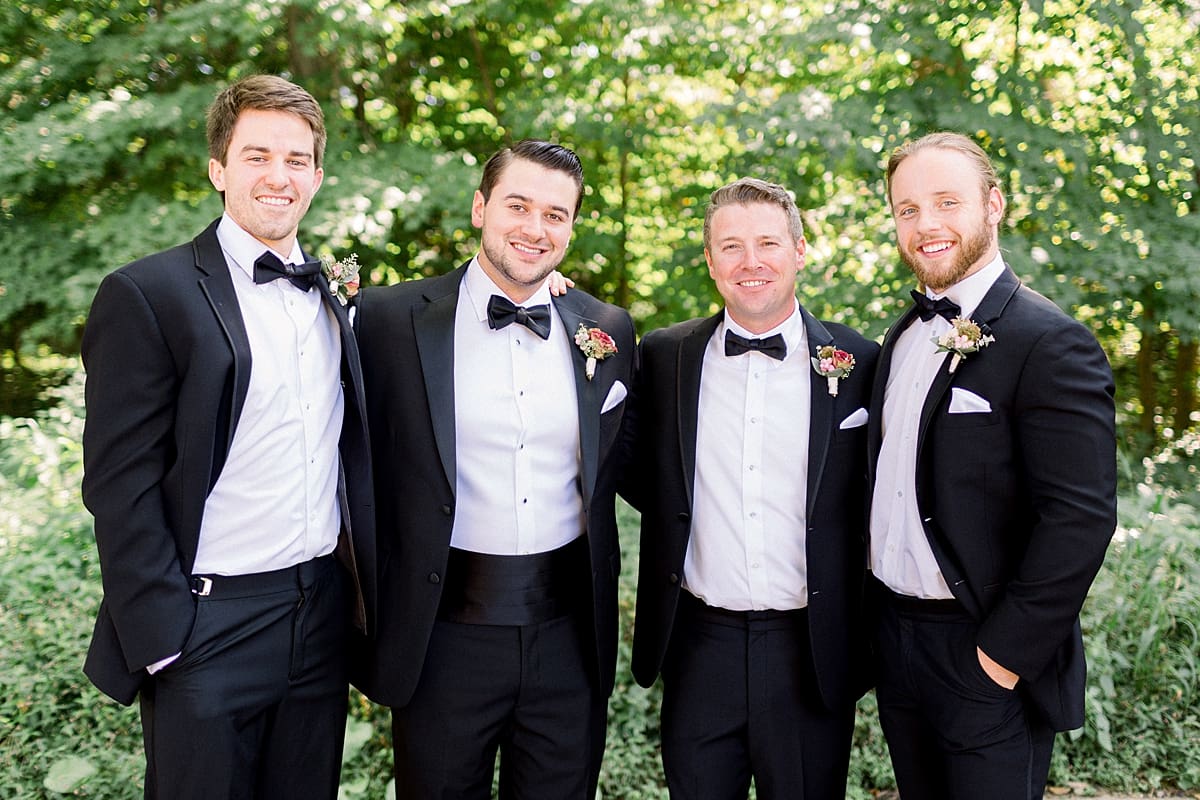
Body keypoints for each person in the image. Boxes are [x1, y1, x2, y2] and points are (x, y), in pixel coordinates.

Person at [80, 74, 376, 799]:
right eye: (257, 156)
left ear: (317, 175)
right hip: (207, 625)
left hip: (318, 616)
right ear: (218, 168)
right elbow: (119, 484)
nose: (279, 176)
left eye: (297, 159)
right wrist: (164, 640)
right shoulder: (149, 294)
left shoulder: (334, 295)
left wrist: (543, 286)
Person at [352, 139, 636, 799]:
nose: (535, 229)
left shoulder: (606, 329)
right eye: (518, 205)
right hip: (441, 636)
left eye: (556, 215)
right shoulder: (390, 322)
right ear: (480, 208)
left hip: (567, 638)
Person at [867, 131, 1117, 799]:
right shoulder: (901, 336)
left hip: (985, 654)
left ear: (994, 205)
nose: (927, 225)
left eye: (947, 202)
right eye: (908, 209)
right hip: (898, 645)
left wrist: (999, 660)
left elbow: (1080, 518)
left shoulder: (1051, 341)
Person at [625, 177, 879, 799]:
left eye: (767, 242)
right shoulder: (663, 357)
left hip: (811, 649)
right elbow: (627, 467)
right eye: (731, 246)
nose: (751, 262)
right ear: (710, 261)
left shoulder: (864, 362)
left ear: (799, 249)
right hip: (697, 643)